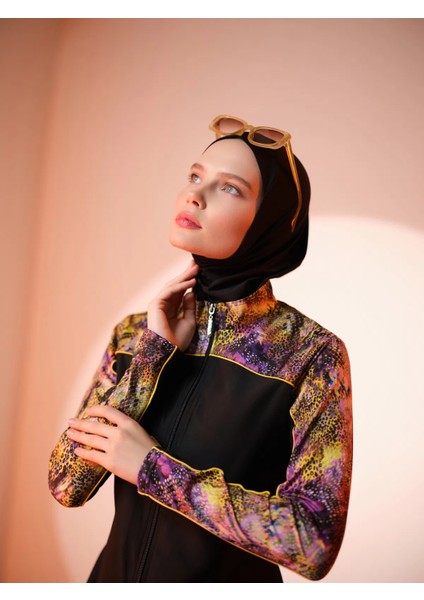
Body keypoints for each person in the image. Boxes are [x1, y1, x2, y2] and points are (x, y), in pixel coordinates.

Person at [48, 115, 353, 583]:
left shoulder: (309, 354)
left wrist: (151, 468)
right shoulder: (135, 334)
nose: (195, 195)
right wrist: (152, 357)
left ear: (270, 223)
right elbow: (66, 483)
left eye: (229, 188)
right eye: (195, 176)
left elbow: (313, 541)